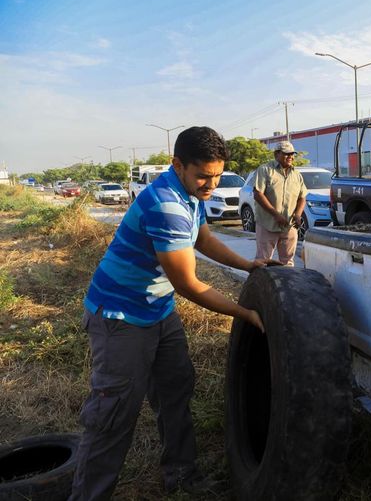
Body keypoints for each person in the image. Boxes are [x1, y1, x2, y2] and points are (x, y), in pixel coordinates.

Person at [70, 127, 267, 500]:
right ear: (178, 165)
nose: (211, 185)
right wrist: (244, 313)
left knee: (176, 388)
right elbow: (190, 285)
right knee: (113, 414)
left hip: (157, 310)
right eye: (203, 176)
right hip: (120, 318)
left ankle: (181, 475)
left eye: (217, 176)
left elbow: (203, 239)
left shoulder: (188, 194)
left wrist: (248, 264)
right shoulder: (166, 205)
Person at [252, 141, 307, 266]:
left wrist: (298, 214)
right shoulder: (265, 170)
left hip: (289, 226)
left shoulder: (296, 175)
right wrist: (275, 215)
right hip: (267, 224)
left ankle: (286, 286)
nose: (290, 157)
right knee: (263, 261)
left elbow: (302, 197)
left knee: (287, 262)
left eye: (292, 154)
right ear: (276, 154)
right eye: (286, 154)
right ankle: (262, 285)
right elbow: (258, 194)